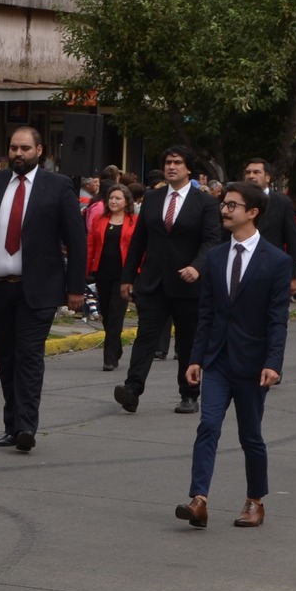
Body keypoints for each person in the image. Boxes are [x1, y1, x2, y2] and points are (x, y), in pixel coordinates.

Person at [0, 126, 87, 450]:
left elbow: (76, 239)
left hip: (38, 289)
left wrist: (76, 287)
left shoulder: (58, 186)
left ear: (39, 151)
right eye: (14, 148)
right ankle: (12, 426)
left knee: (28, 355)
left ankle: (26, 427)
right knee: (7, 357)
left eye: (25, 148)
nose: (18, 154)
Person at [175, 182, 290, 528]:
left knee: (250, 434)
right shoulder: (215, 256)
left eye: (232, 205)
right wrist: (196, 358)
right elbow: (207, 312)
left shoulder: (277, 261)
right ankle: (199, 499)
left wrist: (273, 363)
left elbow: (277, 319)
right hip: (217, 359)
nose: (224, 210)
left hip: (253, 364)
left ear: (252, 212)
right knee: (208, 425)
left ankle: (255, 500)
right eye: (223, 204)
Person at [114, 146, 223, 416]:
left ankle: (189, 394)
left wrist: (197, 267)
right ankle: (132, 389)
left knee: (187, 341)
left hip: (188, 284)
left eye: (177, 162)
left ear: (188, 169)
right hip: (154, 282)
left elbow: (211, 240)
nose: (171, 167)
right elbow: (139, 240)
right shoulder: (152, 198)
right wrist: (128, 277)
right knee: (146, 337)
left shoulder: (205, 203)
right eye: (168, 163)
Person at [87, 184, 136, 370]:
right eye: (111, 198)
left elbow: (140, 249)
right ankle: (116, 347)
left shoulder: (134, 221)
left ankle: (109, 358)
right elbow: (91, 245)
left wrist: (137, 273)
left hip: (124, 275)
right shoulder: (99, 220)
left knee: (116, 314)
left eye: (118, 198)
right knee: (107, 315)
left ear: (126, 201)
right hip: (102, 273)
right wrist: (86, 270)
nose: (114, 201)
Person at [241, 158, 296, 296]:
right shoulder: (236, 201)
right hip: (240, 268)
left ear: (267, 177)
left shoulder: (283, 203)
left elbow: (293, 241)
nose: (251, 176)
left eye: (256, 172)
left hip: (271, 269)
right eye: (248, 172)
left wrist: (294, 276)